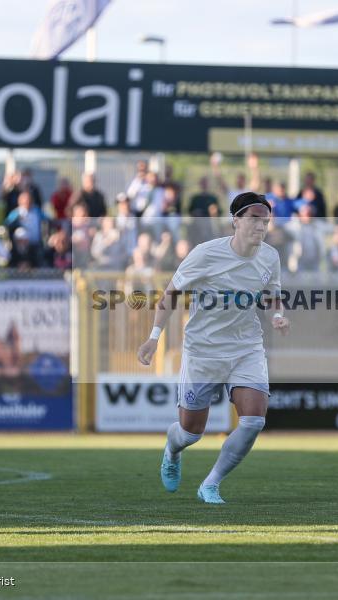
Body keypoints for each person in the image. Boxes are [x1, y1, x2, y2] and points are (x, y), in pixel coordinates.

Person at [137, 191, 289, 504]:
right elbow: (171, 293)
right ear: (235, 221)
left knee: (254, 421)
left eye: (265, 219)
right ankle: (172, 449)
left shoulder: (270, 256)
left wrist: (276, 315)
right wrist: (154, 336)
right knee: (191, 432)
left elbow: (273, 293)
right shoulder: (205, 254)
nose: (261, 225)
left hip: (246, 347)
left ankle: (211, 484)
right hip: (203, 351)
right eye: (253, 218)